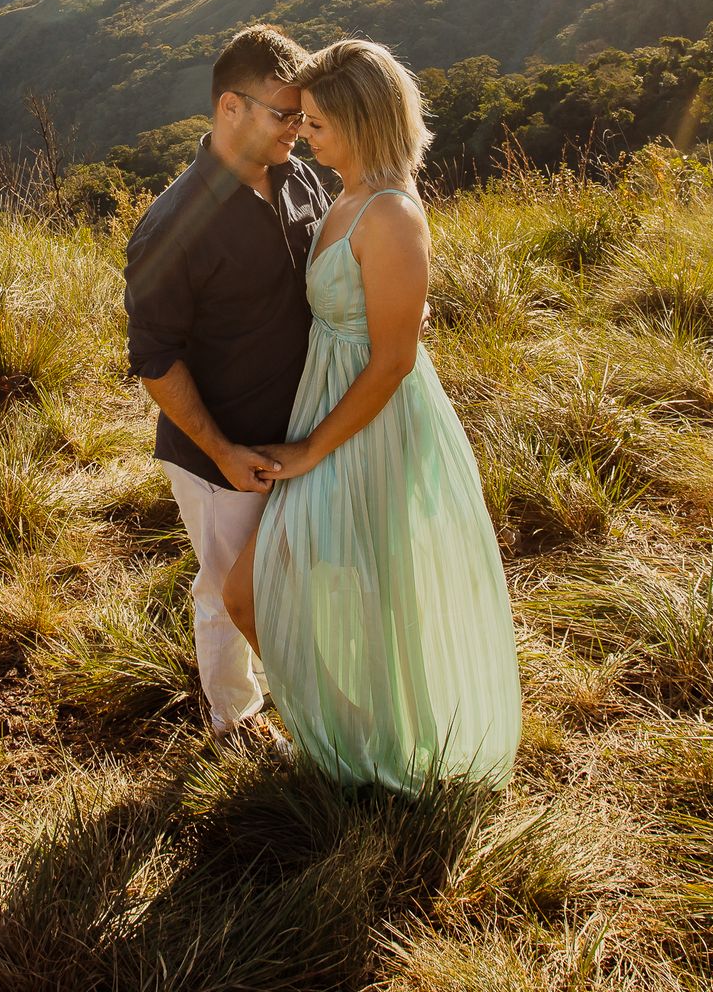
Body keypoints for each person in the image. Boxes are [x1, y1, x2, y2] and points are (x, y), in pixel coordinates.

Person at [223, 39, 522, 794]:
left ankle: (368, 749)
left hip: (366, 428)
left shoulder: (390, 214)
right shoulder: (344, 194)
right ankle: (352, 733)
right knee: (267, 588)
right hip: (328, 412)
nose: (304, 135)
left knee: (315, 588)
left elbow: (391, 359)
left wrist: (308, 451)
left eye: (318, 124)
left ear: (362, 123)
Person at [122, 24, 330, 746]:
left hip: (306, 436)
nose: (299, 131)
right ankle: (234, 721)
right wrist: (221, 452)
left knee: (294, 582)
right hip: (224, 452)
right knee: (225, 590)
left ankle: (306, 698)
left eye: (303, 117)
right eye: (285, 114)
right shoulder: (170, 225)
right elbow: (154, 358)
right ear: (229, 107)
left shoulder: (297, 176)